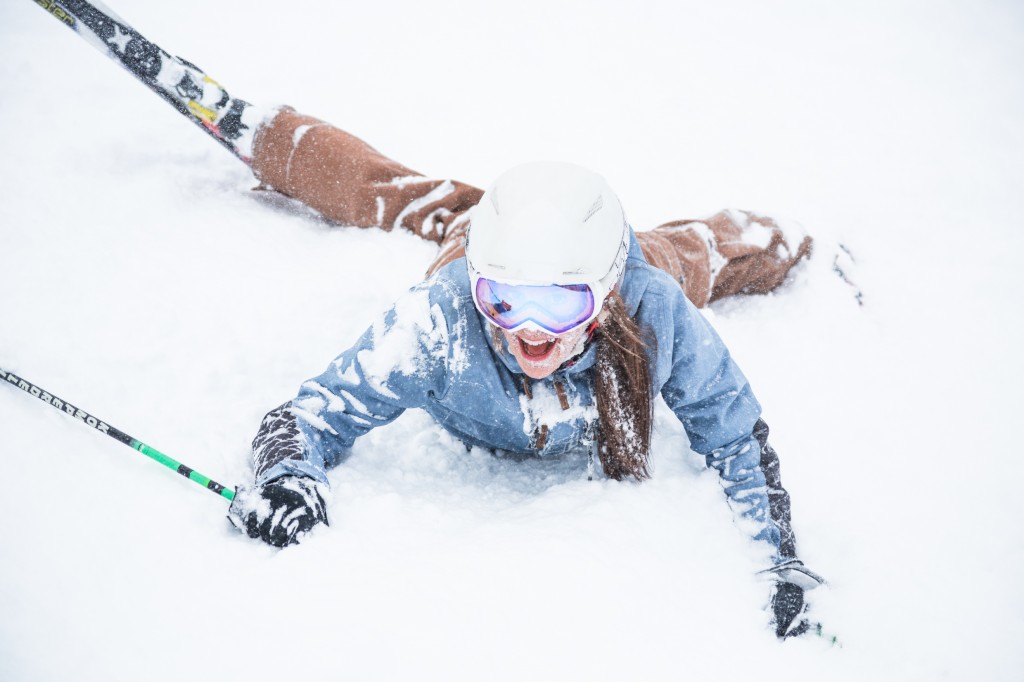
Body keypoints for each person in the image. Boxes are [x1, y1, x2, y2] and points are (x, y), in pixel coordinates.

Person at [207, 96, 821, 638]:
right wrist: (288, 475)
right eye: (505, 300)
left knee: (694, 254)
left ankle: (778, 236)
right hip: (481, 240)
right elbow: (315, 413)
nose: (528, 328)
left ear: (604, 293)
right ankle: (278, 137)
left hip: (627, 261)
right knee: (426, 203)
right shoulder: (443, 319)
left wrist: (780, 559)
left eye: (558, 304)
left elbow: (735, 434)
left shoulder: (648, 304)